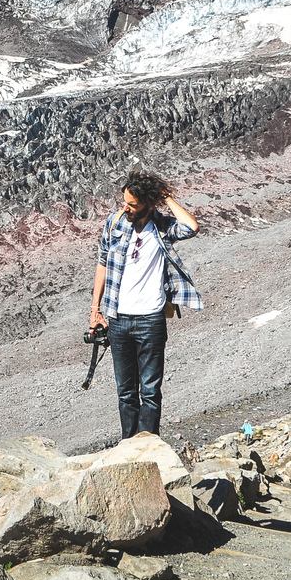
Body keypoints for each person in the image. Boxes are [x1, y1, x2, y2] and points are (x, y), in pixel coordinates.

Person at [89, 171, 202, 440]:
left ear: (149, 204)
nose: (126, 208)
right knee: (125, 392)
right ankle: (129, 445)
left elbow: (192, 227)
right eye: (124, 202)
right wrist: (95, 311)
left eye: (133, 204)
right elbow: (102, 264)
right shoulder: (114, 223)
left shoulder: (162, 227)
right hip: (118, 319)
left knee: (150, 391)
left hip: (151, 320)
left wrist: (166, 197)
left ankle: (148, 444)